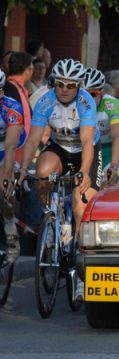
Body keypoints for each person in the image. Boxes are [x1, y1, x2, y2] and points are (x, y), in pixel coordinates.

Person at [19, 58, 102, 251]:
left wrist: (84, 171)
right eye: (60, 83)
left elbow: (87, 141)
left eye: (71, 85)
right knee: (42, 170)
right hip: (60, 148)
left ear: (79, 86)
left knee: (80, 208)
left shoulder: (85, 102)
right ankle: (50, 217)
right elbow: (33, 140)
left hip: (85, 150)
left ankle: (82, 258)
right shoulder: (45, 101)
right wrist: (23, 169)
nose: (64, 89)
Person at [0, 70, 27, 263]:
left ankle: (9, 224)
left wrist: (7, 178)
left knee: (1, 190)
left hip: (7, 147)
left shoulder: (11, 107)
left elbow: (10, 147)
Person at [85, 68, 119, 181]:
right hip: (90, 148)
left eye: (93, 94)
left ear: (101, 92)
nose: (89, 99)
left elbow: (117, 137)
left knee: (108, 181)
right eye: (85, 94)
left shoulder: (112, 105)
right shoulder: (77, 103)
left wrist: (114, 166)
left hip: (110, 148)